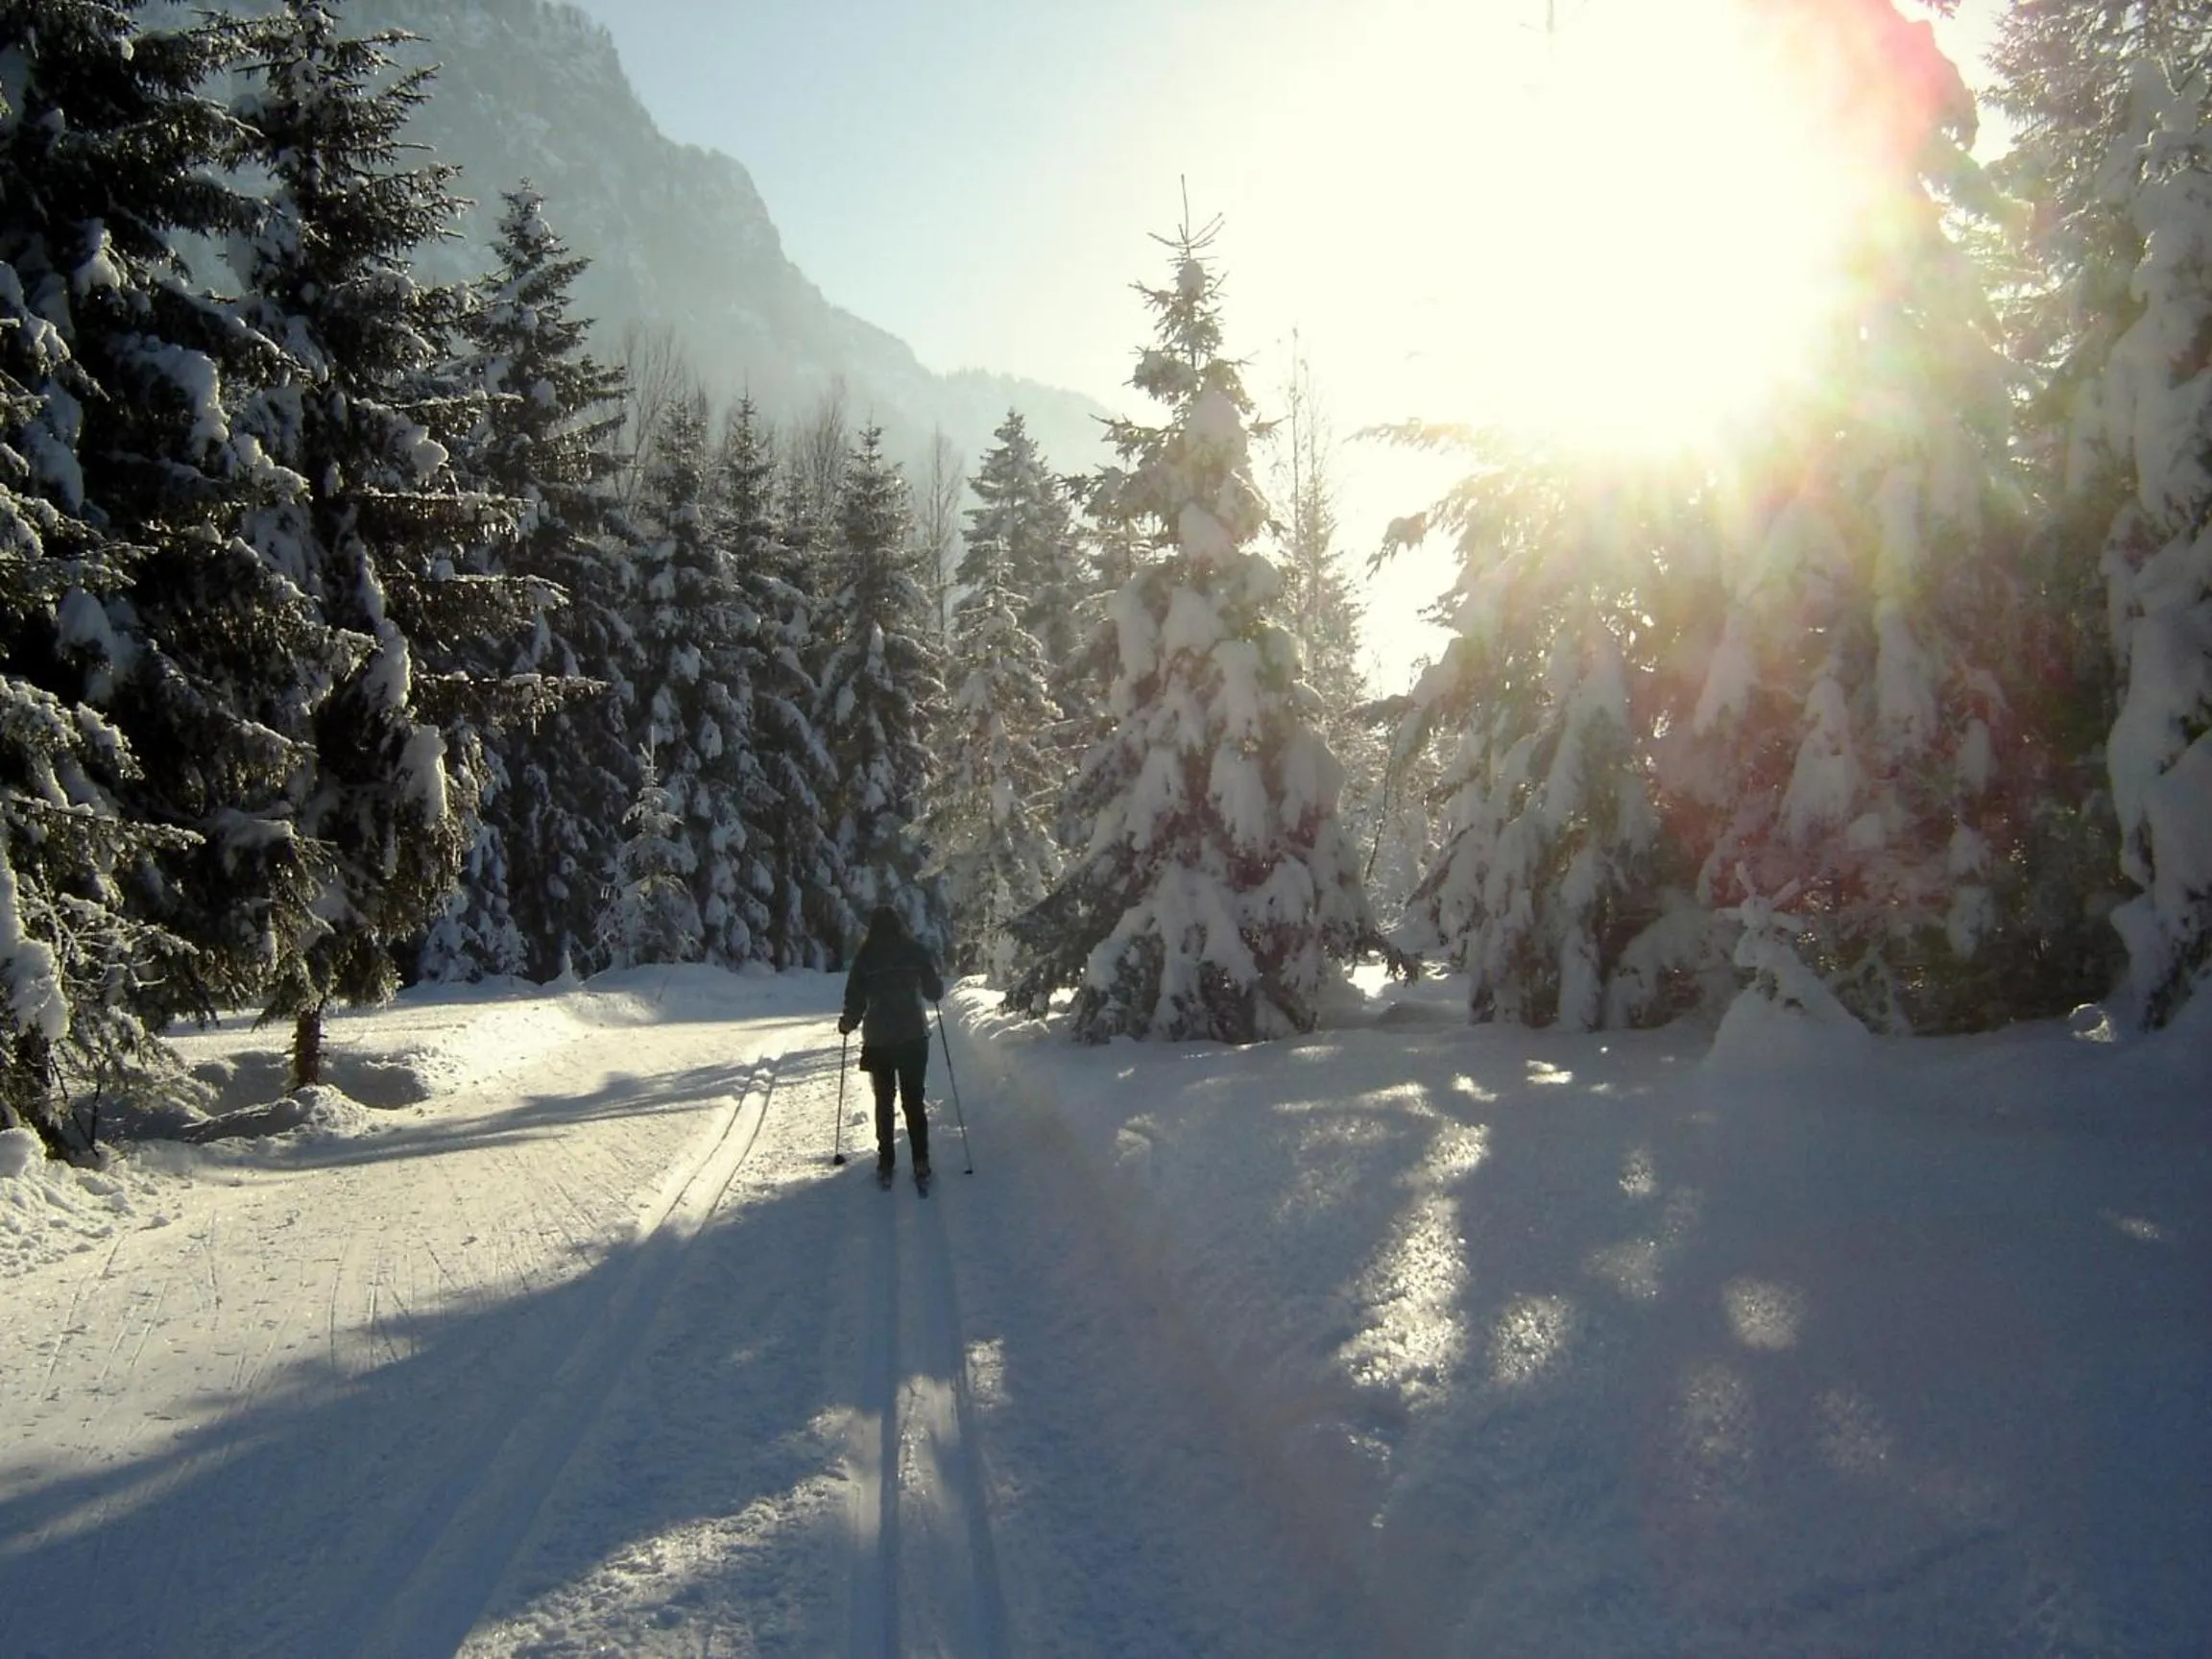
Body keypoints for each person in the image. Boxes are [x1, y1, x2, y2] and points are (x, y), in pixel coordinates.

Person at [838, 905, 945, 1182]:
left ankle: (886, 1162)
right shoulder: (916, 951)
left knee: (884, 1101)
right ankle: (921, 1161)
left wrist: (847, 1023)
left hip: (878, 1040)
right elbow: (935, 992)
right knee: (914, 1100)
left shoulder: (865, 957)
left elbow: (855, 999)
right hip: (913, 1037)